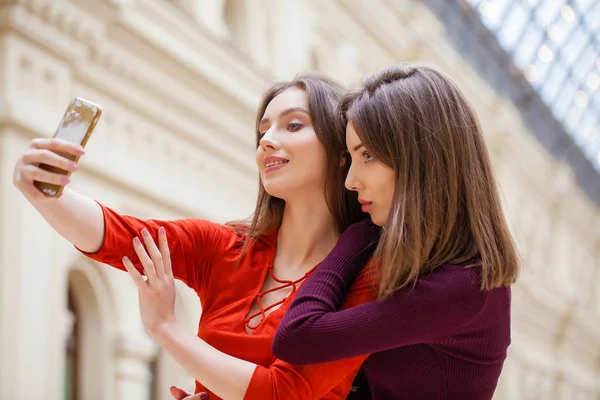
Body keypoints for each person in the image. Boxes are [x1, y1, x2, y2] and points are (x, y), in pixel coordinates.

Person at [12, 73, 376, 399]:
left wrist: (166, 328)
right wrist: (48, 193)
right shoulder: (226, 248)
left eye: (293, 126)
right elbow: (122, 236)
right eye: (263, 130)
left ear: (342, 152)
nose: (266, 141)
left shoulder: (366, 276)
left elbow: (283, 392)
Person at [272, 63, 521, 400]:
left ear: (420, 160)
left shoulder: (465, 287)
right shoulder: (421, 267)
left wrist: (355, 239)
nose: (350, 181)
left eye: (368, 155)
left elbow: (298, 336)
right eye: (351, 157)